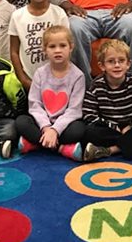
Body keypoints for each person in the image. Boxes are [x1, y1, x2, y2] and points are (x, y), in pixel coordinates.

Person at [82, 40, 132, 161]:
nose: (117, 65)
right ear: (102, 66)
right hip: (110, 128)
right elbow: (88, 114)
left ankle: (110, 150)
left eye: (121, 61)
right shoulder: (96, 85)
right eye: (111, 61)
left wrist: (130, 127)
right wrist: (114, 127)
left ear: (128, 64)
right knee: (89, 132)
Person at [15, 26, 86, 161]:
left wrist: (55, 130)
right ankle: (61, 148)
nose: (57, 50)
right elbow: (35, 105)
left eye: (62, 46)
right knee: (21, 122)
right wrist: (47, 128)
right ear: (45, 49)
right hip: (42, 124)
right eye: (52, 46)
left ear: (71, 47)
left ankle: (35, 143)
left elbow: (74, 110)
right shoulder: (40, 73)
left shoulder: (78, 76)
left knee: (80, 130)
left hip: (65, 126)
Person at [9, 0, 69, 90]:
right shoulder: (17, 16)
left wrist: (59, 76)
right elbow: (14, 51)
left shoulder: (59, 14)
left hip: (55, 79)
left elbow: (66, 48)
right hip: (27, 80)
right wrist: (23, 79)